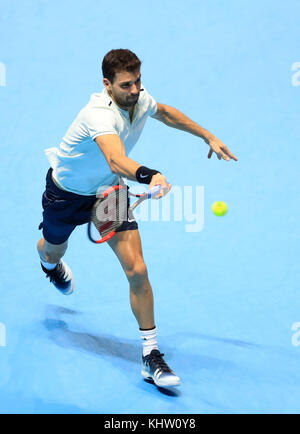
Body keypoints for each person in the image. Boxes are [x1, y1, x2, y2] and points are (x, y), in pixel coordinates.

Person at [37, 49, 238, 388]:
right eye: (126, 85)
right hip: (66, 194)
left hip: (108, 194)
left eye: (138, 82)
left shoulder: (140, 99)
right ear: (107, 84)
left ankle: (151, 355)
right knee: (51, 250)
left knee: (138, 270)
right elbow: (116, 159)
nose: (135, 90)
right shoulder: (97, 115)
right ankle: (48, 265)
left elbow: (166, 114)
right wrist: (150, 175)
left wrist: (208, 135)